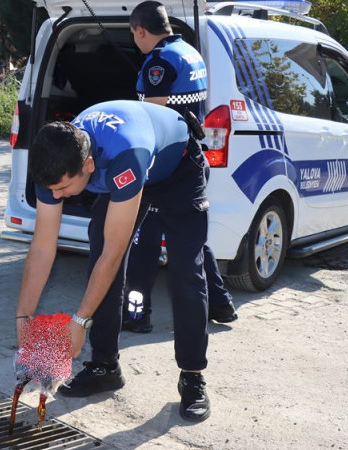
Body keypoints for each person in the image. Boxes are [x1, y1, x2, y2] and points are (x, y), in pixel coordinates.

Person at [15, 99, 213, 422]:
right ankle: (104, 365)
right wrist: (23, 318)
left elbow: (115, 251)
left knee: (185, 268)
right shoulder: (53, 162)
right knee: (97, 249)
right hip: (128, 163)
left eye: (64, 188)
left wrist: (79, 322)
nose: (58, 195)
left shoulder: (125, 157)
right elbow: (42, 248)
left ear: (89, 167)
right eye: (53, 189)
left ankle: (192, 377)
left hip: (176, 166)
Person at [122, 0, 237, 333]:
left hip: (165, 166)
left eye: (134, 35)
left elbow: (154, 121)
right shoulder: (189, 51)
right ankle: (221, 304)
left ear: (141, 30)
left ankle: (136, 315)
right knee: (191, 240)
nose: (135, 42)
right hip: (191, 161)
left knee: (144, 244)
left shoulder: (158, 63)